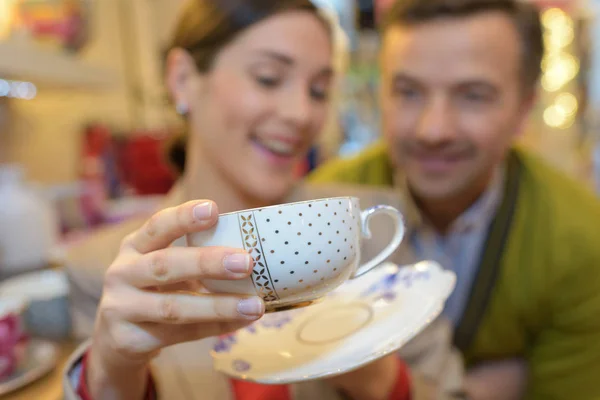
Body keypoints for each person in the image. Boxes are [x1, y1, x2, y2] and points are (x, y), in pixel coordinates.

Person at [61, 1, 462, 399]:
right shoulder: (111, 271)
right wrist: (110, 374)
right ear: (182, 78)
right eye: (268, 78)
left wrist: (382, 381)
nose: (301, 113)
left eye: (319, 90)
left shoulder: (365, 232)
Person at [309, 0, 600, 399]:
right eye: (409, 92)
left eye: (472, 96)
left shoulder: (582, 240)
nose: (434, 129)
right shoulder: (323, 208)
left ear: (524, 109)